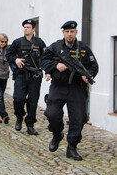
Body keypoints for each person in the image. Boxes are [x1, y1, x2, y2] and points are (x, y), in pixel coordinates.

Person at [41, 20, 98, 160]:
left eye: (72, 31)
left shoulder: (84, 49)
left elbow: (93, 66)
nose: (70, 34)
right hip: (58, 85)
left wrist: (89, 75)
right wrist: (55, 65)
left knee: (79, 118)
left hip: (76, 87)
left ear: (76, 32)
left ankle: (72, 147)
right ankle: (57, 134)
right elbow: (43, 60)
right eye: (67, 32)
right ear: (63, 33)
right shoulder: (55, 47)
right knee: (52, 114)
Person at [6, 19, 46, 135]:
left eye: (28, 27)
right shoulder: (17, 42)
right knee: (18, 99)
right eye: (24, 27)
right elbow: (9, 55)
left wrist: (47, 71)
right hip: (21, 75)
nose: (26, 29)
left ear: (33, 29)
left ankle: (30, 125)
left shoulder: (39, 43)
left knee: (33, 101)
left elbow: (46, 57)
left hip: (35, 76)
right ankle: (19, 117)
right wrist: (16, 59)